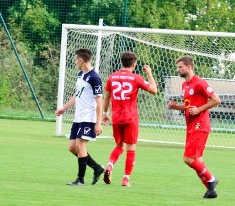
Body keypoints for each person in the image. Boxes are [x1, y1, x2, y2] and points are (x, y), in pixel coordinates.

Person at [166, 55, 221, 199]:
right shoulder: (185, 85)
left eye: (180, 67)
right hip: (190, 125)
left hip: (200, 124)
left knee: (188, 159)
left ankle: (211, 179)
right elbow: (188, 106)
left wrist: (199, 109)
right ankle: (210, 190)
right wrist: (175, 106)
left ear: (189, 67)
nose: (178, 70)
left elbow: (216, 100)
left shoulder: (200, 83)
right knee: (198, 160)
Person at [101, 51, 158, 186]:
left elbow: (107, 97)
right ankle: (126, 179)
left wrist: (105, 113)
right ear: (134, 64)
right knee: (131, 148)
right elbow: (154, 90)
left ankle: (109, 165)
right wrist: (149, 73)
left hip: (116, 117)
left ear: (122, 62)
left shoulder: (112, 77)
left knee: (119, 146)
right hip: (130, 118)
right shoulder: (135, 78)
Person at [54, 48, 104, 186]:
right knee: (72, 147)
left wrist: (98, 123)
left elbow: (99, 102)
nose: (76, 62)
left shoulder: (94, 78)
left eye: (76, 59)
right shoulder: (80, 74)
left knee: (80, 145)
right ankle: (97, 168)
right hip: (78, 117)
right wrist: (64, 108)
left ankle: (80, 180)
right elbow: (77, 95)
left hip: (89, 117)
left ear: (81, 60)